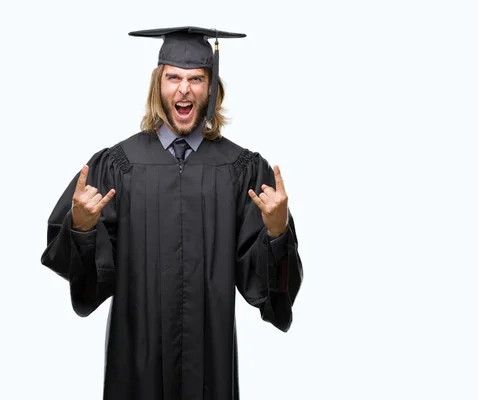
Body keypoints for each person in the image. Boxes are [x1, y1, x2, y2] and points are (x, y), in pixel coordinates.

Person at [40, 26, 303, 400]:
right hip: (135, 362)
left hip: (210, 363)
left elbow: (264, 290)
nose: (184, 89)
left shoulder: (241, 171)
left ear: (211, 89)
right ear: (157, 86)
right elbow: (90, 283)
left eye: (196, 78)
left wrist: (277, 234)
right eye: (173, 77)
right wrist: (82, 228)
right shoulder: (118, 166)